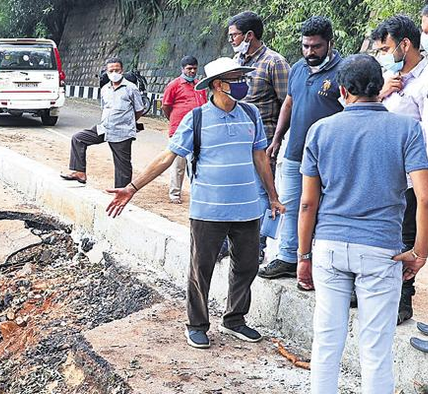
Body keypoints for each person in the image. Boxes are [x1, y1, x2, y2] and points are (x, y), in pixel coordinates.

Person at [105, 57, 284, 349]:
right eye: (235, 79)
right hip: (208, 210)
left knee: (247, 265)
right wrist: (133, 187)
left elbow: (261, 158)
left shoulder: (251, 115)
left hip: (247, 208)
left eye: (243, 78)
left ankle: (235, 319)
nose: (242, 84)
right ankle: (197, 324)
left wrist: (273, 197)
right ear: (217, 85)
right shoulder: (197, 118)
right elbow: (168, 156)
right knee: (201, 268)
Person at [297, 54, 428, 394]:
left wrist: (303, 255)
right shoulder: (407, 129)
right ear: (379, 87)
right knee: (375, 348)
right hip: (381, 248)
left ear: (343, 90)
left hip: (328, 246)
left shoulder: (321, 130)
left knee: (327, 343)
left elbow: (308, 202)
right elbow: (425, 197)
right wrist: (420, 252)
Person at [258, 16, 343, 281]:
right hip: (296, 151)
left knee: (326, 208)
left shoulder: (343, 71)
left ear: (329, 43)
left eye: (315, 47)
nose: (309, 52)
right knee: (292, 205)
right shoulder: (297, 68)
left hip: (330, 155)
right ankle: (286, 257)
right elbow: (289, 103)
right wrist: (277, 138)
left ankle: (322, 263)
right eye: (305, 46)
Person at [371, 15, 428, 324]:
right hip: (382, 174)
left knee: (407, 236)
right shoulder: (386, 77)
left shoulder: (425, 81)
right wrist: (381, 92)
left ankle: (403, 299)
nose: (384, 54)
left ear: (405, 45)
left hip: (411, 176)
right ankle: (378, 291)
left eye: (387, 47)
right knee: (383, 235)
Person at [227, 11, 290, 263]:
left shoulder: (274, 63)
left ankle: (257, 245)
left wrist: (276, 140)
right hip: (236, 140)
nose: (231, 40)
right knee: (236, 189)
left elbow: (287, 103)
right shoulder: (236, 61)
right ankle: (232, 241)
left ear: (249, 35)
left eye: (234, 35)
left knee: (262, 191)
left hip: (263, 141)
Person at [60, 57, 144, 187]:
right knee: (78, 139)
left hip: (122, 132)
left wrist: (129, 122)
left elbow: (139, 109)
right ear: (107, 71)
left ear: (122, 71)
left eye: (117, 70)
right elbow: (104, 107)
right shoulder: (105, 89)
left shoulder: (131, 88)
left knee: (122, 165)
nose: (114, 73)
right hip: (104, 128)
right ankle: (80, 172)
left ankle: (121, 192)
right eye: (111, 70)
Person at [162, 55, 207, 204]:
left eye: (194, 68)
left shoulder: (199, 86)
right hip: (179, 130)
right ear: (182, 69)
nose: (192, 71)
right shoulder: (174, 85)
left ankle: (198, 194)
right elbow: (166, 106)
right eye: (189, 69)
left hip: (198, 130)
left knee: (196, 164)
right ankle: (175, 194)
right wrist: (175, 121)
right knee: (178, 164)